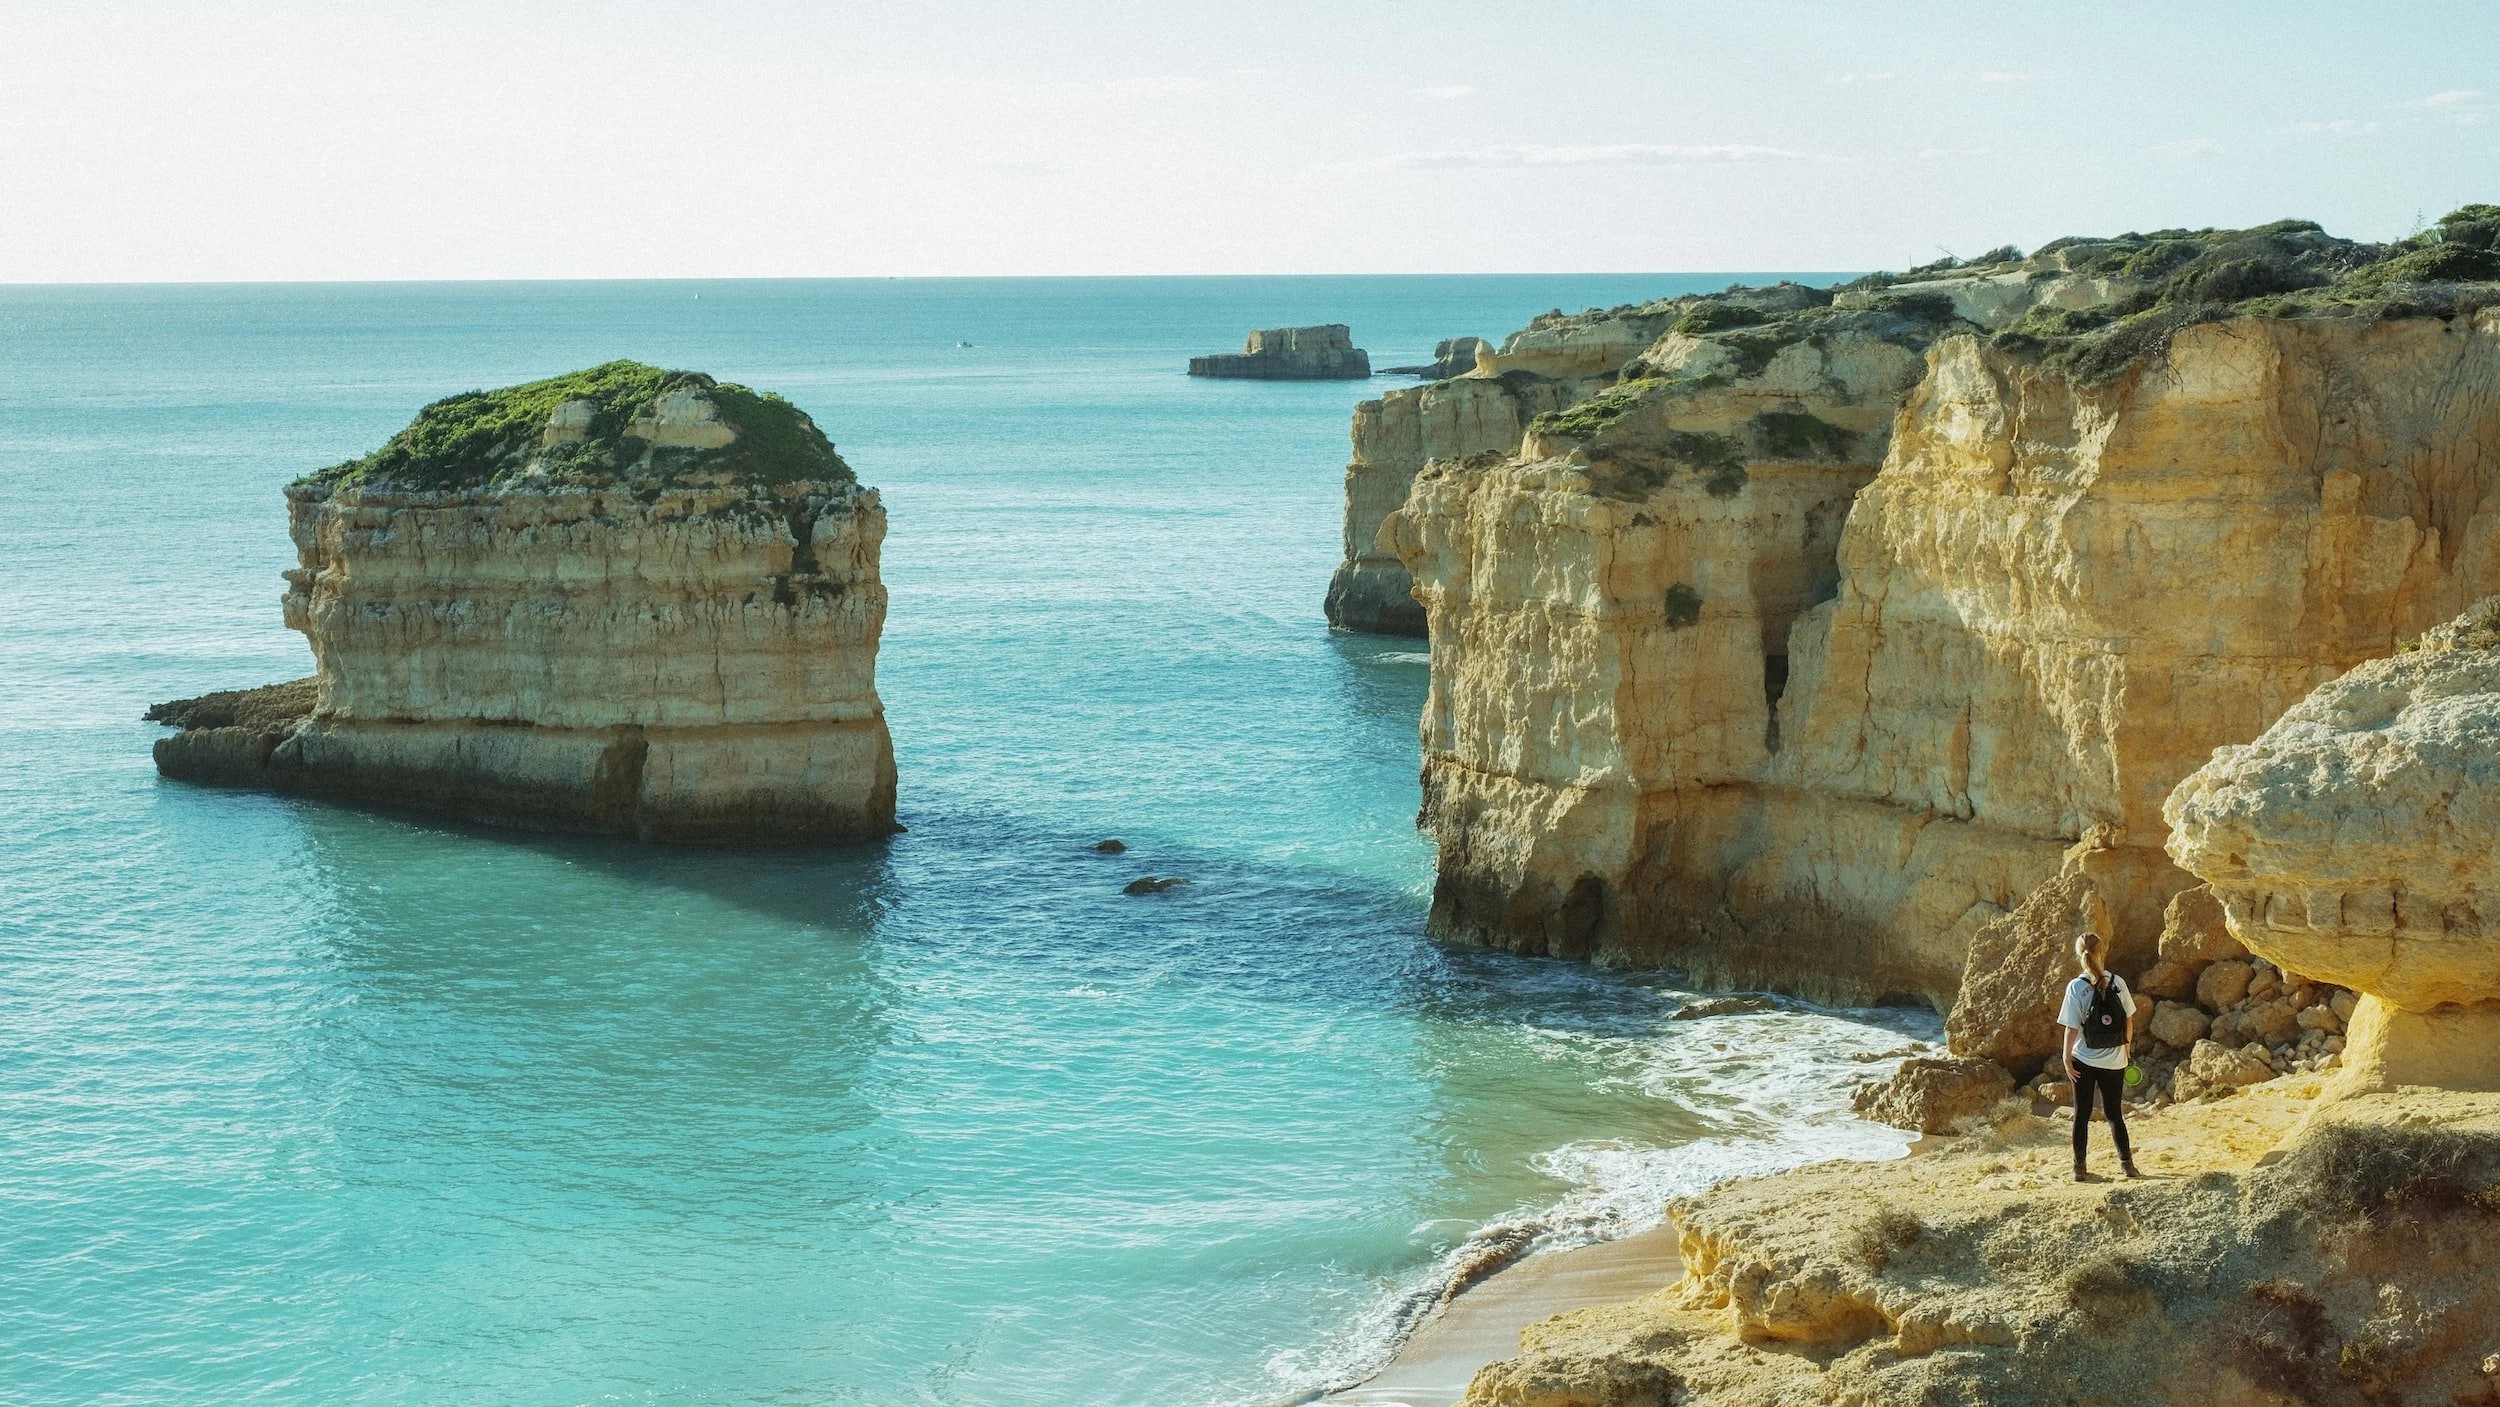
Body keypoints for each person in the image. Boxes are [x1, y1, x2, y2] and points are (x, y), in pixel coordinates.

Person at [2056, 930, 2141, 1181]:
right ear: (2103, 952)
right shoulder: (2118, 982)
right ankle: (2127, 1166)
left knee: (2081, 1113)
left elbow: (2071, 1028)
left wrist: (2066, 1058)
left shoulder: (2076, 987)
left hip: (2084, 1058)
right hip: (2114, 1060)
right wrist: (2125, 1051)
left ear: (2079, 954)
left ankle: (2079, 1169)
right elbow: (2128, 1021)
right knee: (2114, 1113)